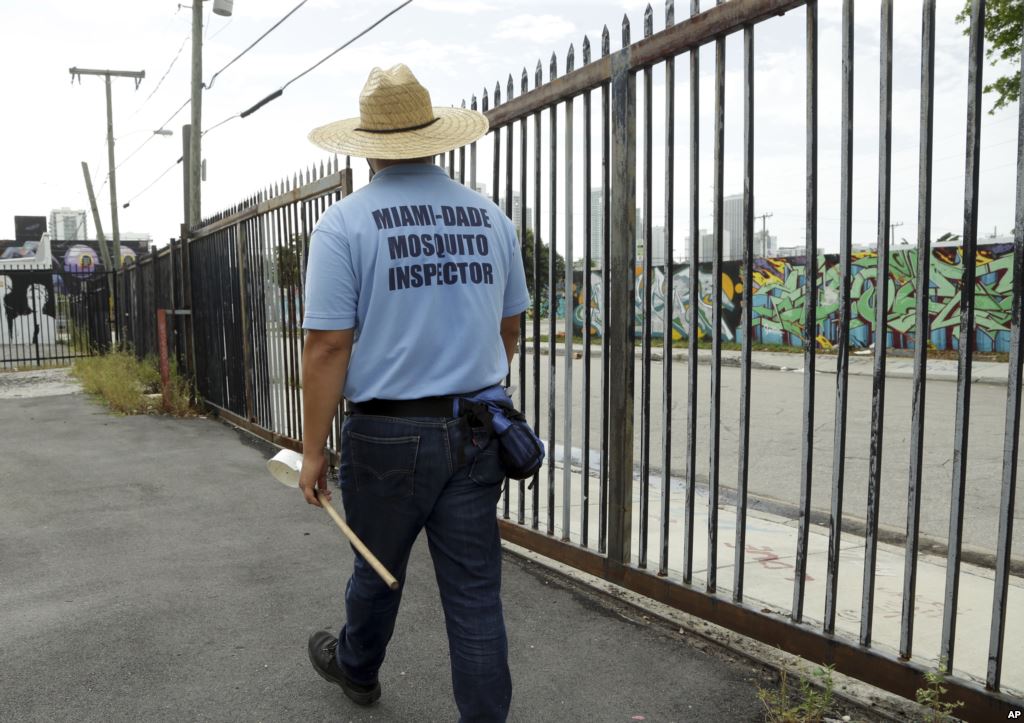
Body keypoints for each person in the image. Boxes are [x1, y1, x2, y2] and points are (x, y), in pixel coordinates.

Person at [297, 64, 529, 722]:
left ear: (368, 144)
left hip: (385, 434)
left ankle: (358, 669)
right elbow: (508, 326)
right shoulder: (492, 219)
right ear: (433, 137)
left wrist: (313, 452)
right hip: (478, 429)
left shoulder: (345, 225)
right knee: (476, 596)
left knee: (376, 564)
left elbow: (327, 346)